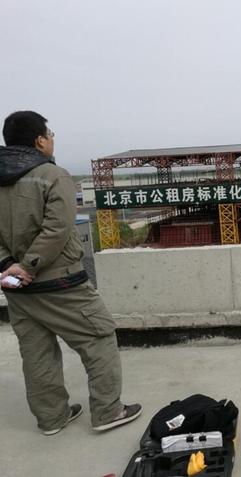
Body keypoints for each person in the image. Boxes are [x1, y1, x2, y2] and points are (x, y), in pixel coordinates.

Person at [0, 111, 142, 435]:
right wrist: (29, 266)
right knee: (99, 338)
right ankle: (108, 411)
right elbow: (58, 229)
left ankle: (52, 418)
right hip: (60, 282)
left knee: (37, 354)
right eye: (50, 134)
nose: (52, 139)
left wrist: (8, 266)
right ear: (39, 140)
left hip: (16, 287)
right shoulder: (52, 175)